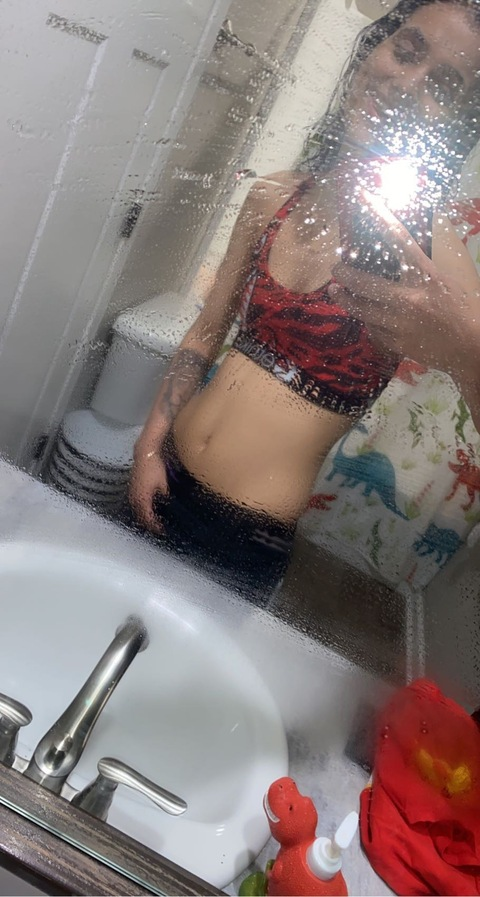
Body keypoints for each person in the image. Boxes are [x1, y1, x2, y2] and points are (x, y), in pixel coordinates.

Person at [129, 0, 480, 603]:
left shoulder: (432, 256)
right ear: (373, 49)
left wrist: (464, 352)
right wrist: (148, 444)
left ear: (454, 125)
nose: (406, 83)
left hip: (246, 535)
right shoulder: (273, 196)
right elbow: (206, 332)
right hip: (164, 470)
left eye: (442, 88)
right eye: (406, 50)